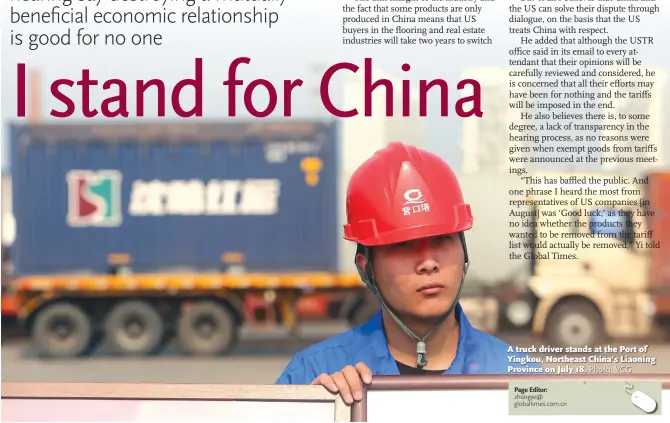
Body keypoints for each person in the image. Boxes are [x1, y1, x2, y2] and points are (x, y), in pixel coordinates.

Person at [275, 142, 543, 403]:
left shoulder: (524, 379)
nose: (428, 263)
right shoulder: (310, 374)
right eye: (402, 246)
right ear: (366, 269)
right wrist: (312, 411)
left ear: (464, 251)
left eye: (442, 239)